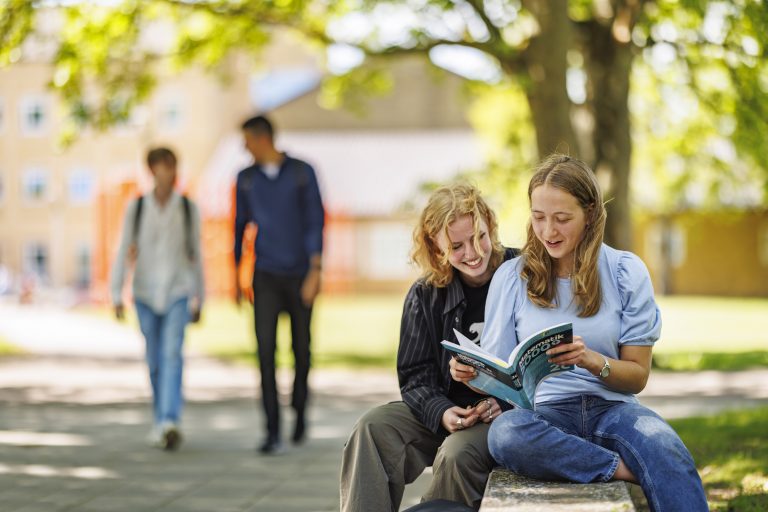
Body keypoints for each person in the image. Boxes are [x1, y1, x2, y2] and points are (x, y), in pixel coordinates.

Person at [450, 154, 708, 511]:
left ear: (589, 214)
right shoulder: (512, 277)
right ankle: (619, 469)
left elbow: (637, 376)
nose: (548, 232)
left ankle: (617, 462)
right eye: (539, 218)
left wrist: (591, 360)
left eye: (562, 219)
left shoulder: (624, 272)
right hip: (545, 415)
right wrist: (472, 374)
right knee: (506, 433)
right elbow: (501, 377)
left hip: (613, 409)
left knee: (665, 446)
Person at [340, 184, 519, 512]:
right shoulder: (425, 294)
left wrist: (503, 403)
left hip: (502, 416)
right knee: (372, 428)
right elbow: (415, 375)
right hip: (448, 409)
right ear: (437, 250)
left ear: (490, 225)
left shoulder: (523, 273)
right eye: (456, 246)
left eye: (479, 236)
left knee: (456, 453)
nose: (473, 252)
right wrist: (441, 411)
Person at [234, 115, 325, 454]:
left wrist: (315, 270)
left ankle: (299, 412)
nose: (244, 148)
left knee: (301, 350)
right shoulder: (245, 179)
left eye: (247, 141)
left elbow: (316, 220)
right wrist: (235, 277)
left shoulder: (303, 173)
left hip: (301, 273)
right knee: (265, 353)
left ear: (262, 139)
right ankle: (272, 430)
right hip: (266, 275)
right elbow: (239, 228)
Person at [111, 147, 204, 451]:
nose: (171, 172)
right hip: (145, 294)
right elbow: (124, 248)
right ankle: (159, 421)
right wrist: (115, 292)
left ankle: (169, 420)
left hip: (178, 291)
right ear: (152, 170)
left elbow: (196, 255)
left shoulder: (188, 208)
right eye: (165, 166)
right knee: (154, 360)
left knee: (172, 355)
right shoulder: (137, 207)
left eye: (174, 166)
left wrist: (200, 297)